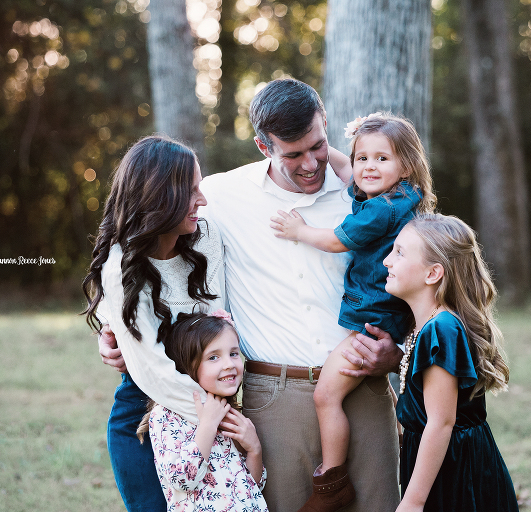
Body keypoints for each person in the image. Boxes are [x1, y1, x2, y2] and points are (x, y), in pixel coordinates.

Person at [100, 79, 403, 512]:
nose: (311, 164)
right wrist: (112, 328)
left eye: (318, 146)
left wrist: (398, 351)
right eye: (293, 154)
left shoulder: (368, 192)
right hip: (273, 396)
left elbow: (421, 279)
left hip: (363, 386)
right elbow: (138, 243)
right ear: (263, 146)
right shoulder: (220, 198)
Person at [269, 112, 436, 512]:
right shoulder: (396, 195)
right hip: (381, 316)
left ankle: (332, 481)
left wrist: (299, 231)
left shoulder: (383, 210)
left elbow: (339, 240)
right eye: (364, 158)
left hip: (374, 319)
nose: (367, 167)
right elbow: (345, 165)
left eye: (382, 159)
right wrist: (343, 147)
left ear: (407, 165)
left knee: (326, 396)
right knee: (338, 393)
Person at [83, 135, 226, 512]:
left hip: (210, 403)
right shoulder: (121, 266)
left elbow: (217, 334)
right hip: (145, 419)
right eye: (191, 190)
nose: (204, 199)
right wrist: (222, 421)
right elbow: (155, 372)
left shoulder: (206, 237)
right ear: (161, 195)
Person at [383, 214, 519, 511]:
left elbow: (441, 423)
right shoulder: (426, 326)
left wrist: (413, 503)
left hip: (456, 474)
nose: (386, 261)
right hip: (443, 465)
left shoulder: (441, 329)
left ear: (433, 274)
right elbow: (422, 408)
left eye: (400, 252)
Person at [147, 310, 268, 511]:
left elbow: (253, 488)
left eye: (233, 353)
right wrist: (208, 425)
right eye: (213, 357)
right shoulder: (166, 416)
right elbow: (182, 480)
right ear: (187, 364)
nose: (229, 364)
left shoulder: (229, 411)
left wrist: (254, 449)